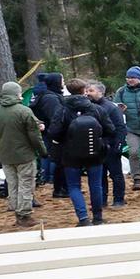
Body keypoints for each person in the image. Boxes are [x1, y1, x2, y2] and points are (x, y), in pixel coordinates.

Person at [53, 82, 108, 226]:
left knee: (74, 186)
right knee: (96, 185)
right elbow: (110, 129)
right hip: (95, 152)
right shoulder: (96, 109)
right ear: (84, 91)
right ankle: (98, 217)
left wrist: (66, 140)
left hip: (71, 154)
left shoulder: (63, 110)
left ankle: (83, 218)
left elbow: (54, 132)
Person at [0, 81, 46, 227]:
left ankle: (15, 209)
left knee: (12, 184)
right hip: (25, 155)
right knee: (26, 184)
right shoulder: (24, 111)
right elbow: (35, 136)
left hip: (5, 155)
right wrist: (42, 151)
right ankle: (24, 215)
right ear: (17, 94)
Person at [85, 82, 129, 207]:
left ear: (100, 92)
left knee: (116, 174)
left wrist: (118, 145)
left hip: (110, 146)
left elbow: (120, 128)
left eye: (91, 91)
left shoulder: (112, 108)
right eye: (87, 91)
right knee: (100, 176)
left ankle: (119, 199)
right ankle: (102, 200)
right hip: (95, 147)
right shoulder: (87, 108)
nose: (88, 93)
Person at [112, 67, 140, 191]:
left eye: (132, 78)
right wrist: (120, 110)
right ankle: (137, 179)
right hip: (131, 128)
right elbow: (115, 107)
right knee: (133, 153)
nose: (130, 80)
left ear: (139, 78)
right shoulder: (122, 91)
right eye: (128, 78)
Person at [31, 72, 64, 198]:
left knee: (48, 154)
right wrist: (57, 131)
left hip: (47, 129)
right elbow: (55, 116)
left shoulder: (44, 94)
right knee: (51, 155)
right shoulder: (50, 98)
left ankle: (50, 179)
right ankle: (50, 179)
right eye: (62, 80)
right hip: (50, 131)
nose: (63, 82)